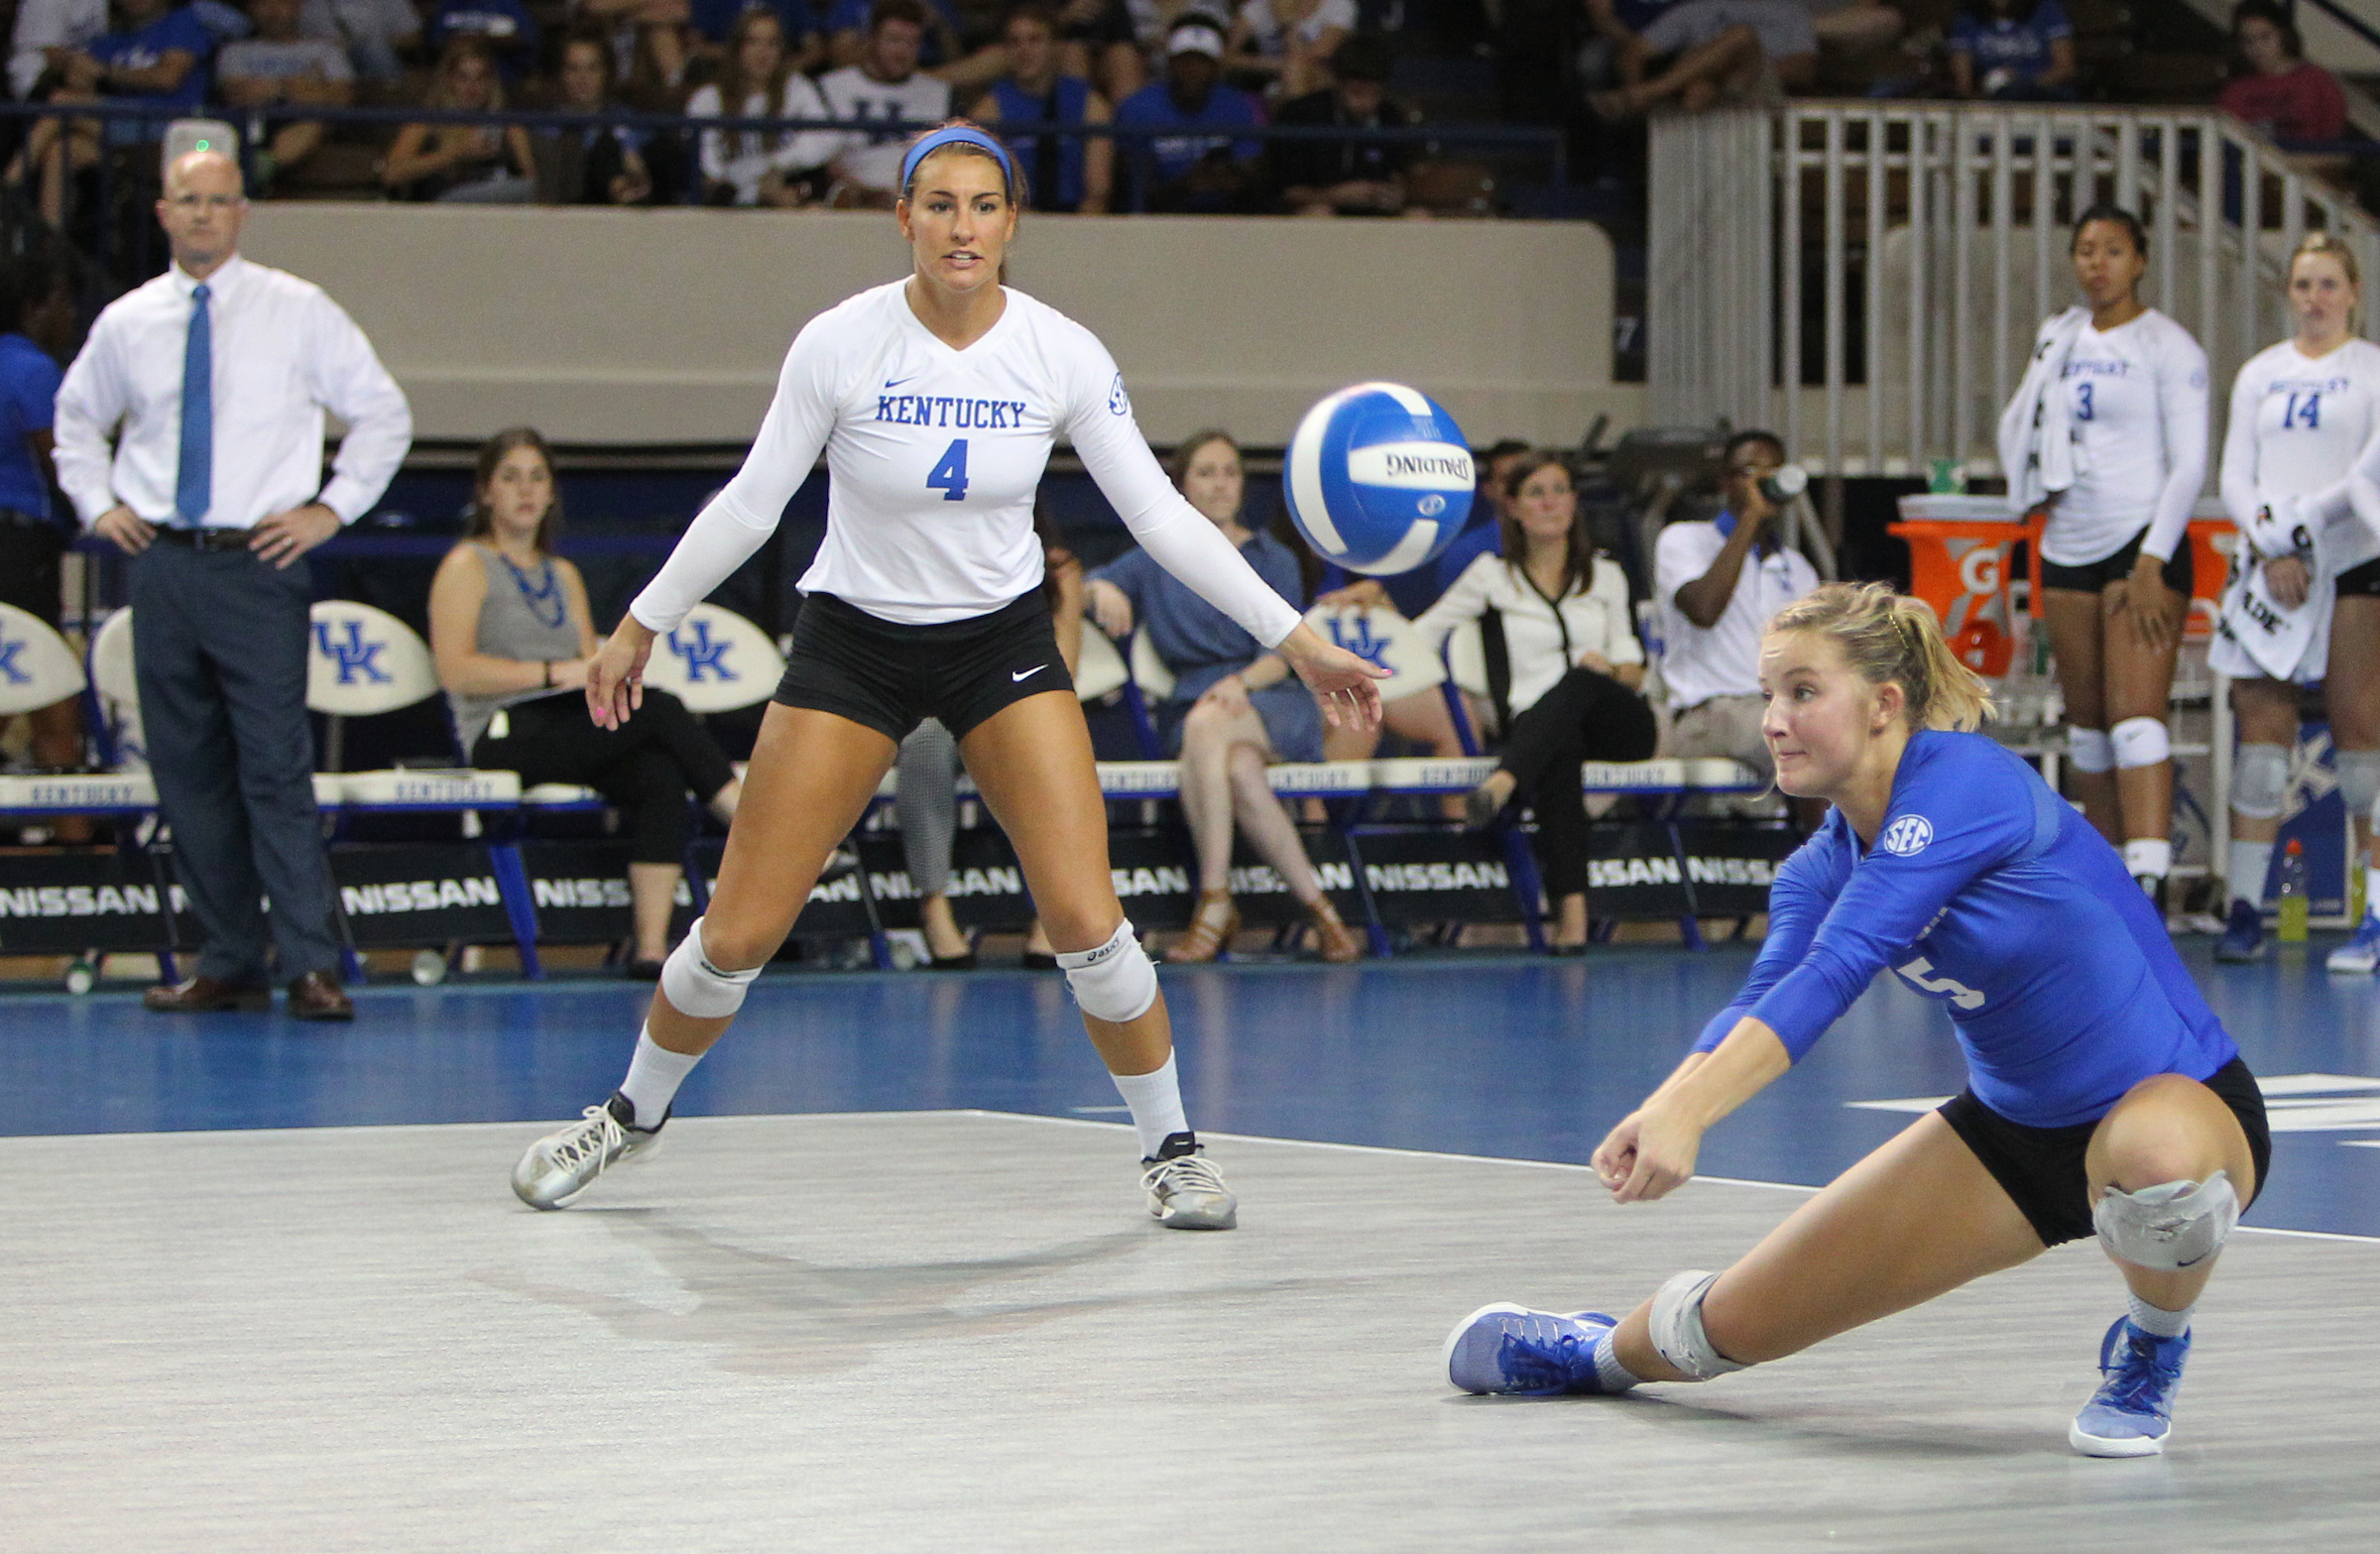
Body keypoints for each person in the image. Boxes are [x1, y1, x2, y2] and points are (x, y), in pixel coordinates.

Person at [507, 123, 1384, 1225]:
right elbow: (750, 499)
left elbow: (1158, 514)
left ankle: (1173, 1148)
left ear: (1011, 223)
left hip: (999, 644)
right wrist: (644, 620)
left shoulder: (1062, 351)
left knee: (1084, 916)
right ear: (905, 219)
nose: (961, 226)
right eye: (939, 204)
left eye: (982, 206)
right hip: (854, 642)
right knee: (737, 931)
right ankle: (627, 1118)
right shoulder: (839, 342)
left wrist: (1299, 639)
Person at [1446, 582, 2272, 1462]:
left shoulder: (1968, 782)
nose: (1773, 718)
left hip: (2180, 1101)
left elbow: (1842, 967)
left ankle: (2150, 1341)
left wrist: (1694, 1114)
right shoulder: (1816, 868)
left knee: (2156, 1172)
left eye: (1803, 692)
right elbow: (1769, 999)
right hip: (2010, 1136)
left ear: (1884, 706)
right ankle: (1597, 1353)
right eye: (1768, 694)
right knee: (1720, 1330)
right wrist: (1667, 1103)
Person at [54, 149, 413, 1020]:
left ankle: (310, 962)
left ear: (242, 212)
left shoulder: (297, 311)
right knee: (185, 769)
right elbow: (74, 422)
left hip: (261, 562)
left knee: (276, 767)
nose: (205, 214)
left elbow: (382, 413)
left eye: (219, 200)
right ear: (163, 212)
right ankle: (225, 958)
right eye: (189, 200)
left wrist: (330, 509)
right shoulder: (129, 321)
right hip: (165, 561)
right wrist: (99, 504)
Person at [431, 428, 742, 975]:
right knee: (663, 711)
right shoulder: (467, 565)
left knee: (659, 774)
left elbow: (586, 664)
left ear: (551, 493)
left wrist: (587, 677)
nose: (525, 491)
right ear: (485, 493)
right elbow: (455, 670)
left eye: (537, 478)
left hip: (566, 721)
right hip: (501, 731)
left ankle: (648, 948)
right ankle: (752, 833)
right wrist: (553, 672)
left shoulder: (564, 575)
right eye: (510, 478)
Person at [1084, 428, 1366, 965]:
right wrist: (1102, 588)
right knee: (1236, 768)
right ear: (1181, 485)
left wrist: (1242, 683)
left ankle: (1213, 902)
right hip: (1194, 700)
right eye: (1206, 473)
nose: (1221, 484)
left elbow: (1289, 645)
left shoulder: (1273, 555)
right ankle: (1321, 908)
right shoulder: (1155, 555)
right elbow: (1084, 582)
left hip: (1269, 694)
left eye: (1231, 472)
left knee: (1207, 727)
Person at [1996, 205, 2208, 898]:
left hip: (2139, 545)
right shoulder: (2058, 339)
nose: (2097, 263)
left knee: (2135, 716)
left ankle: (2150, 874)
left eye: (2112, 250)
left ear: (2139, 259)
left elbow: (2189, 464)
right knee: (2085, 725)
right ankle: (2104, 874)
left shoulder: (2168, 346)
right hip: (2068, 541)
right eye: (2086, 249)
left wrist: (2152, 558)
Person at [2207, 236, 2380, 966]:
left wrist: (2302, 531)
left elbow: (2366, 473)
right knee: (2261, 755)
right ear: (2288, 291)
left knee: (2363, 752)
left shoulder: (2372, 371)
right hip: (2270, 573)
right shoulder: (2261, 374)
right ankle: (2245, 909)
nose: (2315, 297)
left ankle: (2375, 918)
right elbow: (2235, 474)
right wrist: (2272, 545)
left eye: (2329, 284)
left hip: (2348, 562)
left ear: (2353, 291)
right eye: (2304, 283)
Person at [1412, 452, 1654, 953]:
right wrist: (1376, 600)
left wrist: (1609, 670)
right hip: (1541, 733)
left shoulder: (1606, 574)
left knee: (1581, 681)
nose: (1551, 502)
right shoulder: (1491, 576)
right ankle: (1572, 920)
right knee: (1556, 753)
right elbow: (1421, 635)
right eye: (1537, 493)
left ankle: (1504, 781)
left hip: (1617, 722)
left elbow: (1633, 668)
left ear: (1575, 502)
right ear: (1514, 508)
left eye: (1561, 490)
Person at [899, 513, 1083, 968]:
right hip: (938, 703)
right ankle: (934, 904)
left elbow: (1063, 666)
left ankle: (1051, 908)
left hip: (1017, 697)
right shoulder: (933, 548)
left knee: (1041, 743)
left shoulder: (1058, 566)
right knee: (922, 742)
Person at [1655, 429, 1821, 792]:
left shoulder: (1797, 567)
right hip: (1709, 714)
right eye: (1750, 472)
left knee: (1854, 734)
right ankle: (1835, 850)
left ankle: (1856, 849)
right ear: (1726, 483)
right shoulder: (1683, 539)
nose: (1763, 483)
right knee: (1816, 742)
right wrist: (1749, 518)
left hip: (1779, 708)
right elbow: (1703, 609)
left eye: (1773, 473)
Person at [0, 252, 83, 823]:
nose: (71, 314)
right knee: (51, 694)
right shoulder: (31, 368)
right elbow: (61, 464)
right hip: (18, 548)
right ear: (35, 307)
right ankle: (77, 852)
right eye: (62, 300)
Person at [7, 0, 212, 227]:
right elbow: (84, 79)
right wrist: (79, 70)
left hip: (168, 126)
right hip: (122, 130)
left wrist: (104, 72)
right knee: (61, 151)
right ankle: (52, 244)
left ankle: (9, 184)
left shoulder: (181, 23)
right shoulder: (112, 38)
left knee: (63, 104)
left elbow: (168, 78)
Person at [969, 1, 1114, 215]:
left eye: (1034, 40)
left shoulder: (1091, 105)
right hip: (1016, 222)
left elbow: (1098, 191)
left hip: (1079, 222)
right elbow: (990, 190)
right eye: (1015, 42)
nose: (1024, 50)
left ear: (1056, 47)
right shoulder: (989, 110)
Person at [687, 6, 838, 206]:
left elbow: (827, 139)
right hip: (727, 207)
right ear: (737, 48)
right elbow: (709, 169)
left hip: (781, 195)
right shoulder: (708, 99)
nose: (763, 52)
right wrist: (754, 192)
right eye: (753, 42)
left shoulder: (797, 88)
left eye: (772, 43)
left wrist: (777, 166)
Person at [1111, 13, 1259, 213]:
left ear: (1216, 67)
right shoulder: (1138, 108)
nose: (1192, 70)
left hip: (1226, 220)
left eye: (1202, 61)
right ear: (1170, 63)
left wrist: (1229, 177)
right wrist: (1186, 185)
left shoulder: (1236, 105)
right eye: (1185, 60)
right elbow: (1134, 189)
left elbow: (1252, 174)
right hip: (1159, 223)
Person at [818, 0, 955, 208]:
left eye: (912, 43)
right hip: (851, 205)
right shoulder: (832, 87)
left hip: (918, 207)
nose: (902, 52)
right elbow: (825, 160)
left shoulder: (940, 93)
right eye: (894, 40)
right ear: (871, 39)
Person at [1267, 31, 1416, 219]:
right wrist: (1337, 196)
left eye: (1376, 93)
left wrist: (1395, 196)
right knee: (1319, 215)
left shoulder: (1392, 119)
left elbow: (1398, 178)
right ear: (1337, 82)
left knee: (1418, 217)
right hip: (1314, 214)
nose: (1367, 103)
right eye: (1357, 92)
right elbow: (1286, 192)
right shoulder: (1300, 115)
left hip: (1375, 218)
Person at [1589, 0, 1816, 120]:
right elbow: (1634, 51)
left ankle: (1651, 91)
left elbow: (1805, 68)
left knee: (1741, 36)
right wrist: (1633, 83)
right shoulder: (1698, 8)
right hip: (1708, 85)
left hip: (1759, 81)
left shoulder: (1788, 10)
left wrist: (1748, 67)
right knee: (1698, 91)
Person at [215, 0, 357, 193]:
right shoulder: (235, 52)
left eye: (282, 4)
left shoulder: (326, 51)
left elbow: (341, 99)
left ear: (298, 7)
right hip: (252, 121)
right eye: (264, 4)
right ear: (251, 9)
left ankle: (261, 169)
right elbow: (238, 95)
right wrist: (299, 87)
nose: (273, 11)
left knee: (312, 122)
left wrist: (270, 88)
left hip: (305, 120)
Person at [384, 37, 539, 202]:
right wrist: (457, 153)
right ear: (450, 80)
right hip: (443, 209)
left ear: (491, 82)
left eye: (480, 78)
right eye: (463, 78)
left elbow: (531, 179)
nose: (472, 87)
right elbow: (392, 173)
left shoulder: (508, 123)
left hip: (497, 212)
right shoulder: (427, 120)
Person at [534, 28, 656, 205]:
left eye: (592, 68)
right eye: (573, 69)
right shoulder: (546, 127)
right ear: (561, 74)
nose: (583, 78)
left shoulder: (630, 119)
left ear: (607, 73)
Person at [2217, 1, 2346, 150]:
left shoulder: (2318, 82)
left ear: (2283, 35)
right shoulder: (2236, 91)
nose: (2257, 47)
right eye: (2248, 40)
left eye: (2265, 37)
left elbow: (2335, 149)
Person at [1948, 0, 2077, 102]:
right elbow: (1964, 86)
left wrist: (2023, 82)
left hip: (2045, 102)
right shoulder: (1967, 17)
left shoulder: (2046, 8)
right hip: (1992, 105)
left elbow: (2065, 68)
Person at [1224, 0, 1351, 102]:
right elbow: (1224, 57)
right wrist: (1275, 65)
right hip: (1274, 83)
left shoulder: (1338, 5)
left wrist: (1288, 24)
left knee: (1295, 71)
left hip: (1322, 83)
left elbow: (1318, 56)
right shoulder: (1258, 6)